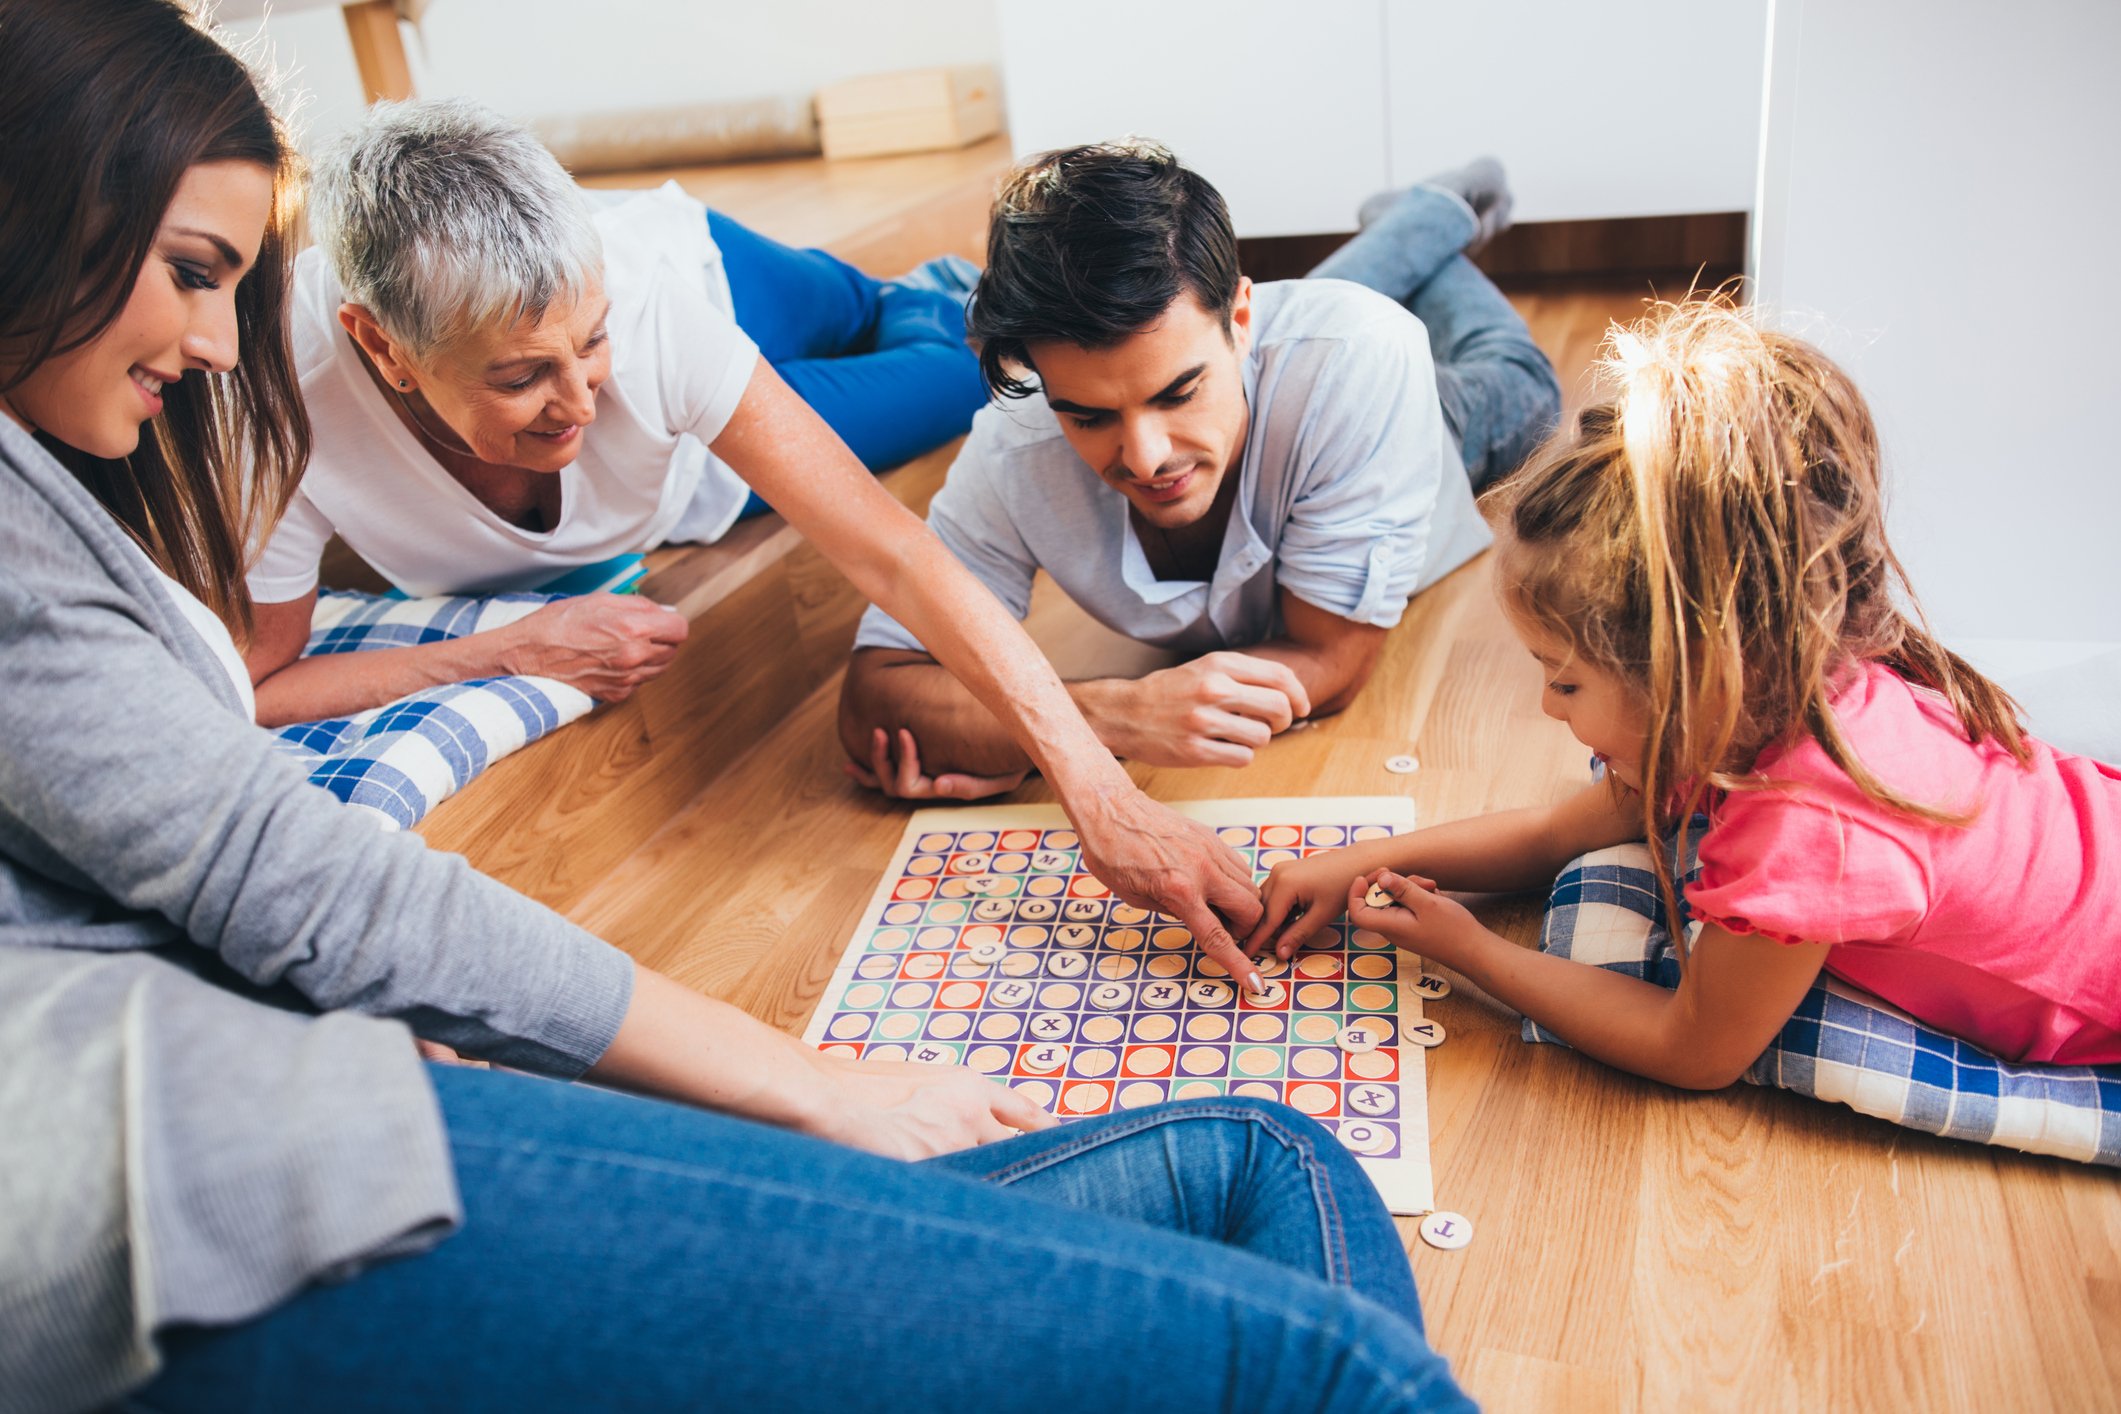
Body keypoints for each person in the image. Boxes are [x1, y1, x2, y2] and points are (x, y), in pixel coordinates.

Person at [0, 5, 1478, 1410]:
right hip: (204, 1160)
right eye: (195, 272)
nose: (214, 344)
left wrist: (1098, 779)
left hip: (272, 1097)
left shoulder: (624, 319)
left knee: (1405, 383)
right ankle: (1377, 244)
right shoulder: (226, 424)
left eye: (231, 283)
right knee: (1292, 1257)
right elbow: (294, 876)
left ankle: (1396, 245)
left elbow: (890, 551)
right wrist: (811, 1078)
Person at [1247, 301, 2121, 1084]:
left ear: (1689, 671)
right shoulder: (1751, 690)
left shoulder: (1805, 823)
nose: (1549, 708)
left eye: (1562, 678)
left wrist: (1470, 950)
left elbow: (1692, 1049)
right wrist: (1348, 865)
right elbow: (1559, 833)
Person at [837, 140, 1559, 795]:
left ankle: (1431, 215)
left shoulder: (1356, 363)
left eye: (1177, 393)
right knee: (1309, 315)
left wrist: (1013, 729)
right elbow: (876, 696)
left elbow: (1329, 659)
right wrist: (1114, 715)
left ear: (1242, 321)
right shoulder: (1010, 444)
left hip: (1421, 420)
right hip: (1278, 343)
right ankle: (1399, 234)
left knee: (1524, 390)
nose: (1146, 459)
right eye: (1087, 416)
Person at [241, 96, 984, 726]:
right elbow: (259, 683)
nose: (580, 406)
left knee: (944, 355)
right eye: (522, 375)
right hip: (695, 474)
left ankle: (925, 292)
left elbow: (893, 552)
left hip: (712, 285)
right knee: (942, 370)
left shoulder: (644, 294)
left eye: (595, 341)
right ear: (383, 348)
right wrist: (500, 650)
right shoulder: (275, 406)